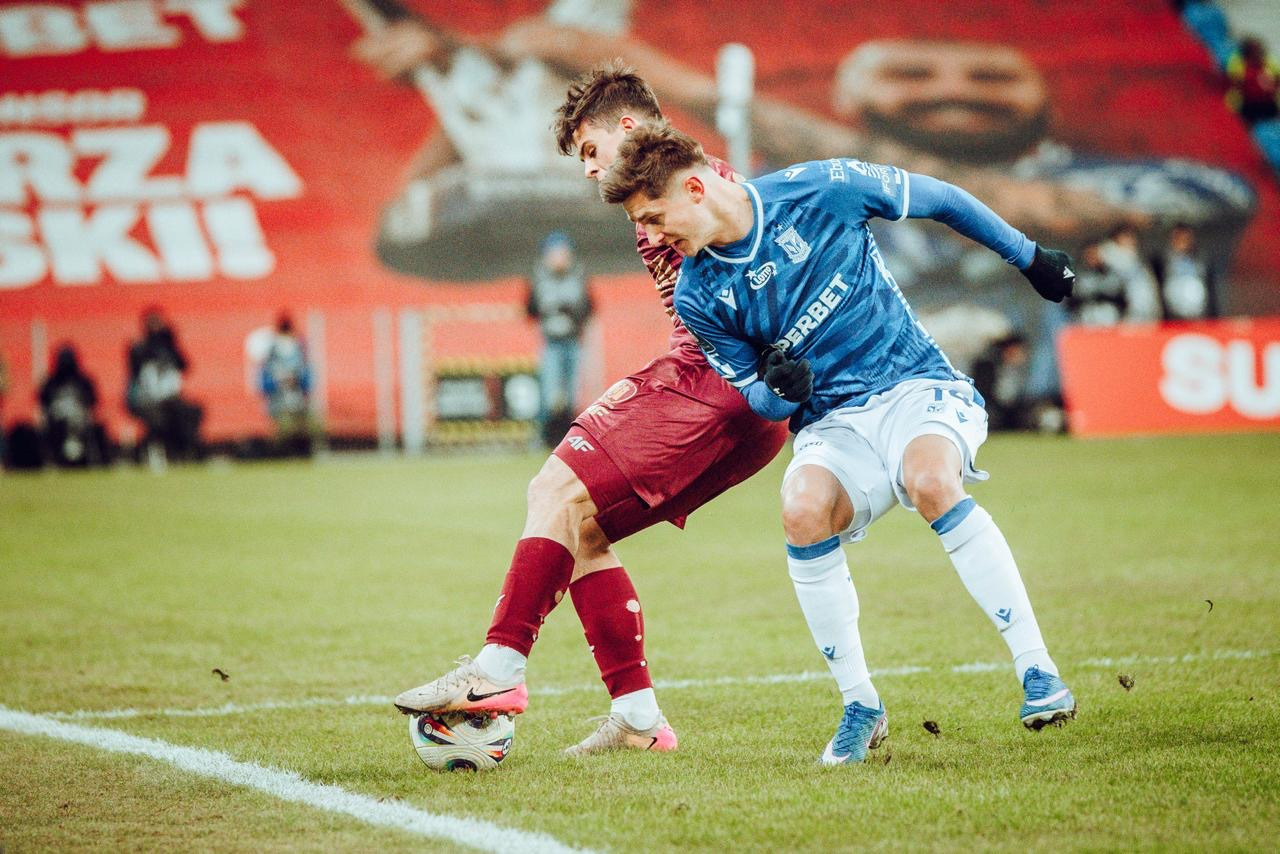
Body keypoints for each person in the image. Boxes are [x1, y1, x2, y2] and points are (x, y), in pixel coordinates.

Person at [601, 122, 1077, 764]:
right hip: (833, 424)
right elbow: (759, 399)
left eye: (654, 218)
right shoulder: (697, 295)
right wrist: (780, 391)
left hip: (914, 385)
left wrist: (1028, 257)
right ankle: (861, 705)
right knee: (800, 509)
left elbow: (941, 199)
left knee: (930, 480)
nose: (654, 237)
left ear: (693, 187)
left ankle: (1038, 670)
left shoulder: (822, 188)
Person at [392, 64, 791, 755]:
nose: (586, 169)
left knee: (552, 490)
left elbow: (766, 278)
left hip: (712, 384)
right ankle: (638, 719)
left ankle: (497, 670)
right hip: (739, 405)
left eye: (589, 149)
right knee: (576, 528)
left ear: (629, 127)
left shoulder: (697, 186)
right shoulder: (660, 199)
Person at [526, 231, 594, 446]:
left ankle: (569, 440)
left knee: (572, 395)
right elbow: (530, 309)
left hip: (573, 340)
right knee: (549, 393)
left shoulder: (578, 276)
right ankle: (543, 437)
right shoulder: (539, 278)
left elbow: (590, 307)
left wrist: (572, 312)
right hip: (551, 341)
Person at [126, 309, 203, 465]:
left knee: (188, 413)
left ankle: (183, 453)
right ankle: (151, 452)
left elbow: (184, 366)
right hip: (144, 397)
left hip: (168, 397)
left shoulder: (169, 347)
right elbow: (137, 372)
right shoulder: (139, 347)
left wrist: (171, 343)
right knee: (159, 419)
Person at [38, 344, 108, 467]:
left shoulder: (83, 381)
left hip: (80, 420)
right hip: (56, 422)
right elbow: (43, 403)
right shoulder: (51, 382)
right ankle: (51, 460)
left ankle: (93, 459)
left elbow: (93, 402)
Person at [259, 312, 313, 457]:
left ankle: (295, 451)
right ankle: (285, 451)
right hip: (280, 397)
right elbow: (266, 377)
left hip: (293, 396)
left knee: (295, 427)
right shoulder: (278, 349)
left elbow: (305, 374)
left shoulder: (295, 347)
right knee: (285, 428)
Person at [1226, 36, 1280, 174]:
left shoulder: (1269, 64)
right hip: (1249, 105)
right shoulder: (1238, 65)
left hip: (1268, 104)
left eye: (1260, 52)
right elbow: (1237, 85)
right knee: (1255, 135)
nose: (1259, 55)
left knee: (1271, 131)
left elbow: (1276, 81)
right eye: (1256, 52)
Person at [1151, 223, 1217, 320]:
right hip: (1172, 318)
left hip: (1199, 317)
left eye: (1185, 239)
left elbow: (1211, 291)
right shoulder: (1161, 263)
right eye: (1178, 238)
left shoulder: (1201, 261)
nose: (1182, 243)